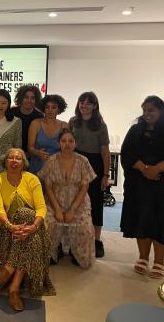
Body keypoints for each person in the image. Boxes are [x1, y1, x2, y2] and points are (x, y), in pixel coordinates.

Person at [0, 148, 55, 312]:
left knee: (27, 214)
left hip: (34, 230)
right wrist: (11, 226)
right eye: (11, 158)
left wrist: (33, 227)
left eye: (18, 158)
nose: (14, 161)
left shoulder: (32, 179)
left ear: (23, 163)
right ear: (5, 162)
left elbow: (41, 208)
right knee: (28, 234)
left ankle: (10, 277)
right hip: (6, 230)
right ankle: (14, 290)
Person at [120, 95, 164, 279]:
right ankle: (143, 257)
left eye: (151, 110)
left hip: (162, 184)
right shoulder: (135, 130)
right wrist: (145, 169)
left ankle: (160, 261)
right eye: (145, 110)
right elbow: (126, 153)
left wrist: (158, 168)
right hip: (139, 183)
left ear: (161, 111)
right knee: (141, 219)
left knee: (160, 221)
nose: (147, 113)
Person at [38, 129, 96, 268]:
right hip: (55, 201)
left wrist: (72, 210)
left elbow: (84, 188)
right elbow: (48, 187)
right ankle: (51, 252)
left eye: (71, 141)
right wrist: (57, 209)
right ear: (59, 143)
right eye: (64, 141)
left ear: (75, 144)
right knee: (47, 224)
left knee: (85, 227)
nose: (67, 144)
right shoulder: (51, 161)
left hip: (78, 201)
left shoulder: (83, 161)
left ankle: (78, 253)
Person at [69, 92, 110, 258]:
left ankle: (96, 241)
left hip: (95, 164)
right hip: (76, 163)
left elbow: (105, 152)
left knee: (95, 203)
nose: (84, 105)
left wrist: (105, 175)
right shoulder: (73, 122)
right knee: (75, 202)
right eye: (81, 102)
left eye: (88, 103)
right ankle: (76, 239)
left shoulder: (100, 124)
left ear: (94, 106)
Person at [28, 94, 68, 174]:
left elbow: (67, 148)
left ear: (59, 109)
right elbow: (30, 147)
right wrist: (37, 152)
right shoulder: (35, 123)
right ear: (43, 109)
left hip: (57, 168)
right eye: (47, 107)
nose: (50, 110)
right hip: (37, 166)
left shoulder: (64, 125)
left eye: (53, 107)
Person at [11, 84, 43, 154]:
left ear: (36, 100)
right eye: (26, 97)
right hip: (12, 153)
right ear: (21, 98)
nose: (29, 100)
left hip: (32, 155)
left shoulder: (39, 116)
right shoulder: (12, 113)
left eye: (32, 98)